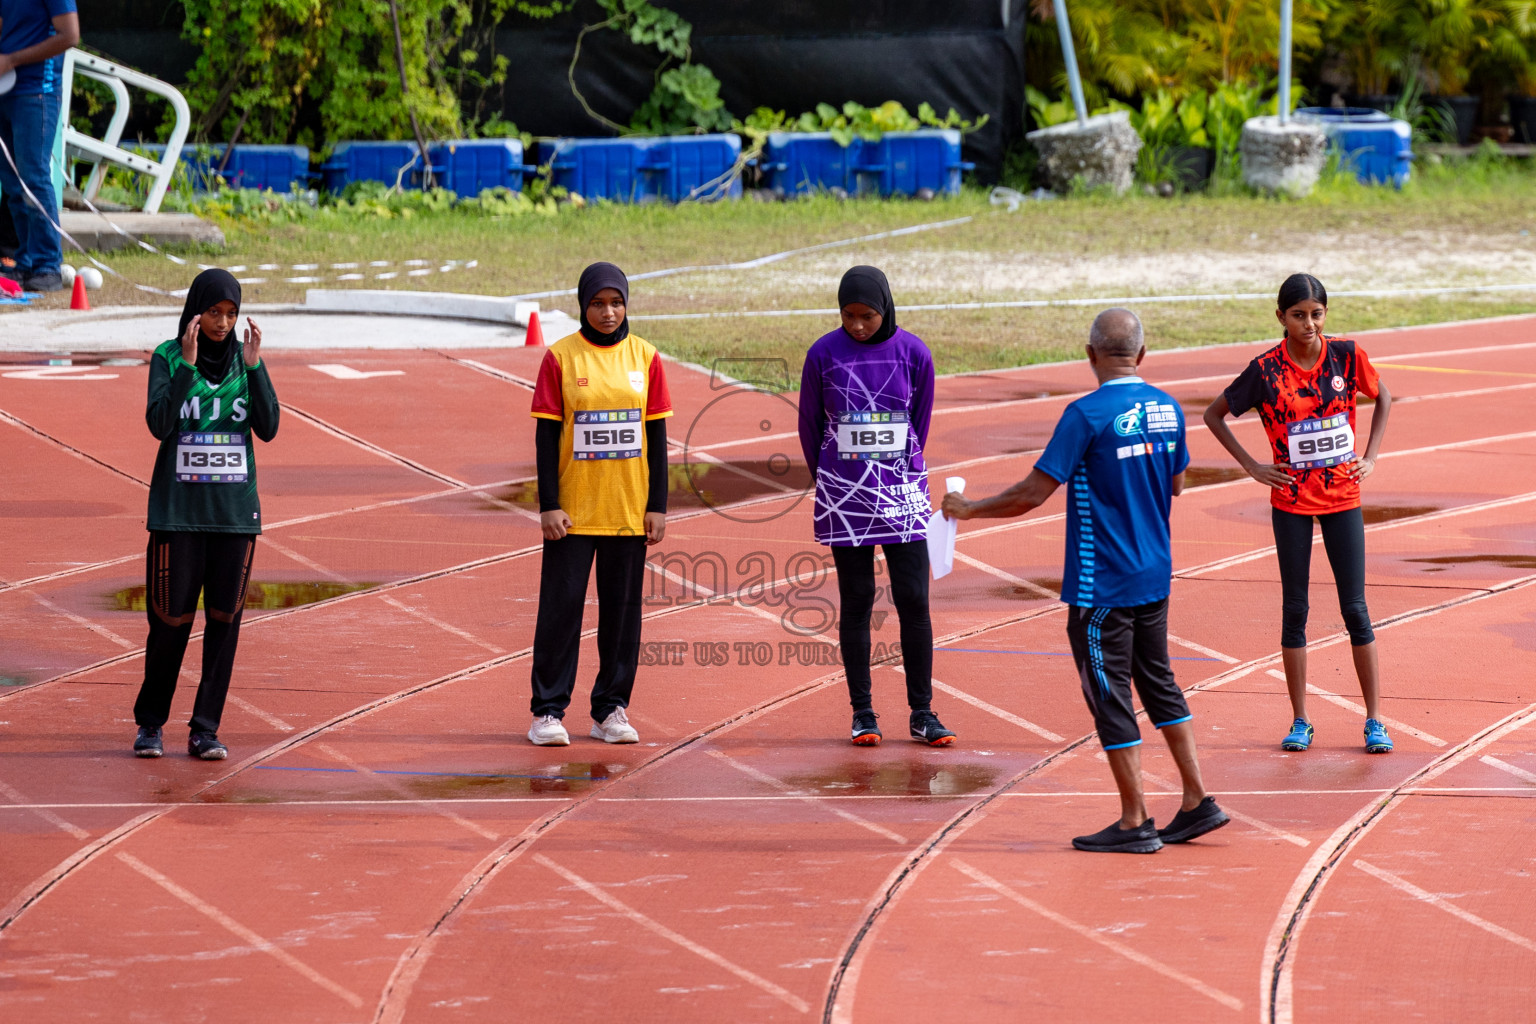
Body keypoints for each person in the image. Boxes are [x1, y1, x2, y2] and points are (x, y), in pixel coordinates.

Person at [943, 309, 1227, 853]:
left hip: (1103, 587)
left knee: (1108, 693)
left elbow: (1030, 494)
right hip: (1154, 572)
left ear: (1090, 354)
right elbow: (1178, 484)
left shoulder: (1085, 415)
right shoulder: (1168, 408)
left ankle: (1134, 820)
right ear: (1142, 356)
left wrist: (969, 508)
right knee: (1159, 681)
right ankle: (1196, 801)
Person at [1203, 273, 1394, 754]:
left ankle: (1374, 720)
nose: (1308, 324)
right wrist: (1252, 467)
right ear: (1281, 318)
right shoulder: (1265, 370)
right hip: (1290, 501)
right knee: (1296, 610)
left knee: (1356, 610)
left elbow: (1384, 396)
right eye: (1298, 315)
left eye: (1316, 314)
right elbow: (1213, 414)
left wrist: (1370, 456)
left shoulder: (1347, 356)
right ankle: (1300, 720)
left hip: (1342, 499)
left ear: (1326, 314)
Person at [798, 265, 955, 748]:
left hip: (903, 495)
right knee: (858, 599)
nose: (858, 325)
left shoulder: (914, 353)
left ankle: (922, 712)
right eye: (849, 316)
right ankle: (862, 713)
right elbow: (809, 426)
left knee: (914, 600)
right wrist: (834, 480)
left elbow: (918, 424)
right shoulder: (823, 354)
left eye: (867, 316)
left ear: (885, 308)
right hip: (845, 498)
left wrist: (897, 471)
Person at [133, 269, 279, 760]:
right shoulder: (169, 356)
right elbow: (159, 424)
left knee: (224, 621)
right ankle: (151, 724)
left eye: (231, 314)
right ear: (196, 310)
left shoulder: (245, 359)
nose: (222, 322)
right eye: (214, 312)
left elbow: (270, 426)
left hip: (234, 517)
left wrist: (256, 369)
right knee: (169, 622)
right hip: (178, 515)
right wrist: (187, 369)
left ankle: (205, 729)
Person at [527, 262, 671, 746]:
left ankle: (611, 708)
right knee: (560, 613)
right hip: (572, 513)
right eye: (597, 303)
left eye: (616, 302)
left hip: (629, 512)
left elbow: (657, 437)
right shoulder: (560, 358)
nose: (608, 313)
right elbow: (546, 437)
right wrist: (549, 504)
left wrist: (658, 505)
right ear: (583, 306)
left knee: (623, 616)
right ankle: (547, 712)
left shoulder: (646, 358)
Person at [0, 0, 79, 292]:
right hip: (5, 89)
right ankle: (25, 260)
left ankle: (47, 264)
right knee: (11, 183)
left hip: (37, 92)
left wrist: (12, 60)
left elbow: (70, 35)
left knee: (33, 178)